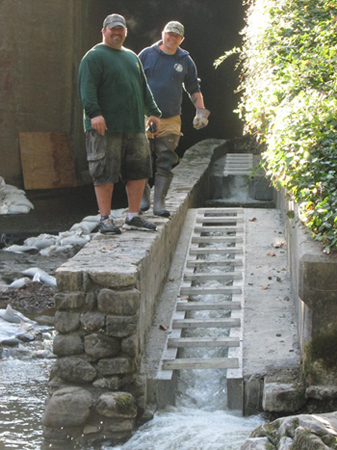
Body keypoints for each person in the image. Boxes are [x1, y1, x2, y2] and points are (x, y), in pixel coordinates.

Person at [78, 13, 162, 233]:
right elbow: (86, 89)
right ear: (104, 31)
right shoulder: (94, 57)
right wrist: (94, 113)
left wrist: (153, 112)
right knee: (104, 171)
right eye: (112, 29)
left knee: (139, 170)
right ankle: (105, 219)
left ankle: (133, 216)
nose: (117, 33)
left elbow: (143, 88)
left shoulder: (132, 57)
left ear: (125, 31)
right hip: (105, 127)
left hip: (134, 125)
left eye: (120, 29)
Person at [138, 21, 210, 218]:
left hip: (170, 117)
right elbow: (133, 82)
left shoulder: (185, 60)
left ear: (181, 39)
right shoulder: (146, 54)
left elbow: (193, 88)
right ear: (163, 34)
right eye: (169, 34)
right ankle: (142, 197)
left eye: (176, 36)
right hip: (144, 115)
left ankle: (159, 202)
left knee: (165, 159)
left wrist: (200, 111)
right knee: (141, 157)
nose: (172, 38)